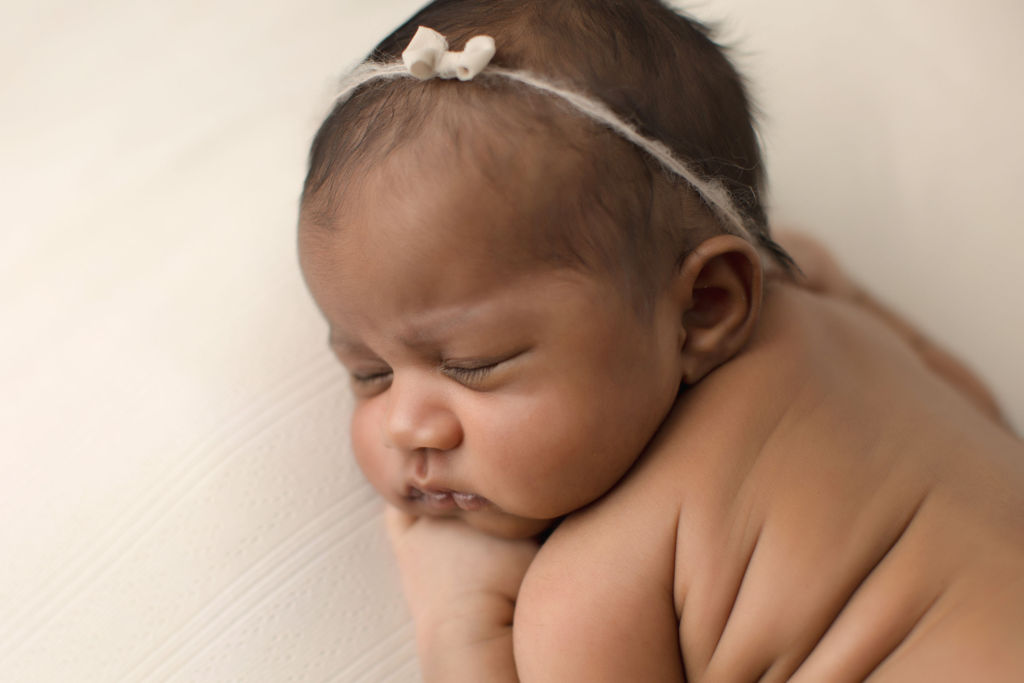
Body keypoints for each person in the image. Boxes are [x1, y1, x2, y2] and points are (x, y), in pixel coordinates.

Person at [297, 0, 1024, 680]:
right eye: (368, 372)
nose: (405, 424)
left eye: (472, 363)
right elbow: (980, 409)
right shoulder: (834, 321)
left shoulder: (590, 593)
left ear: (707, 307)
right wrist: (849, 293)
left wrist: (463, 619)